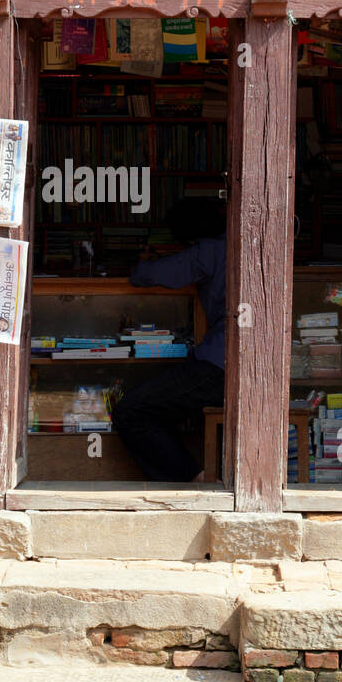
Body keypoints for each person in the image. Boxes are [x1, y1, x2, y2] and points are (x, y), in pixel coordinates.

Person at [111, 199, 226, 483]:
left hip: (219, 365)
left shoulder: (209, 251)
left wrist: (145, 261)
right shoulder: (234, 245)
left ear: (189, 236)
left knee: (130, 410)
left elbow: (145, 276)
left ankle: (196, 479)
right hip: (240, 363)